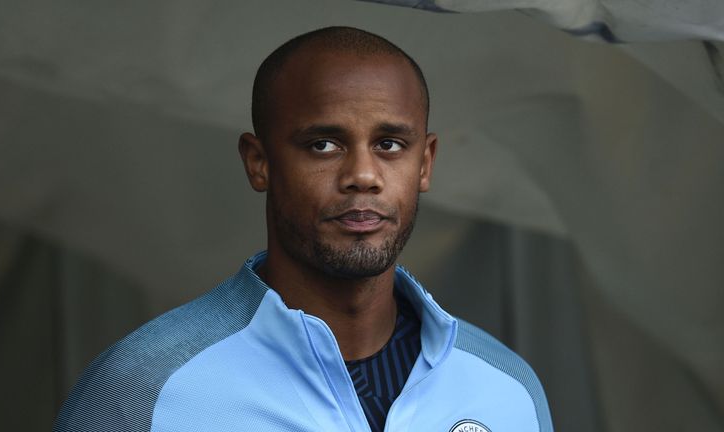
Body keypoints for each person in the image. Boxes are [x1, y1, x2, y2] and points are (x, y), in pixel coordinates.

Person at [54, 26, 553, 432]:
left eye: (390, 145)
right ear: (259, 162)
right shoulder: (144, 390)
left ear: (425, 164)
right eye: (323, 145)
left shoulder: (505, 389)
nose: (363, 174)